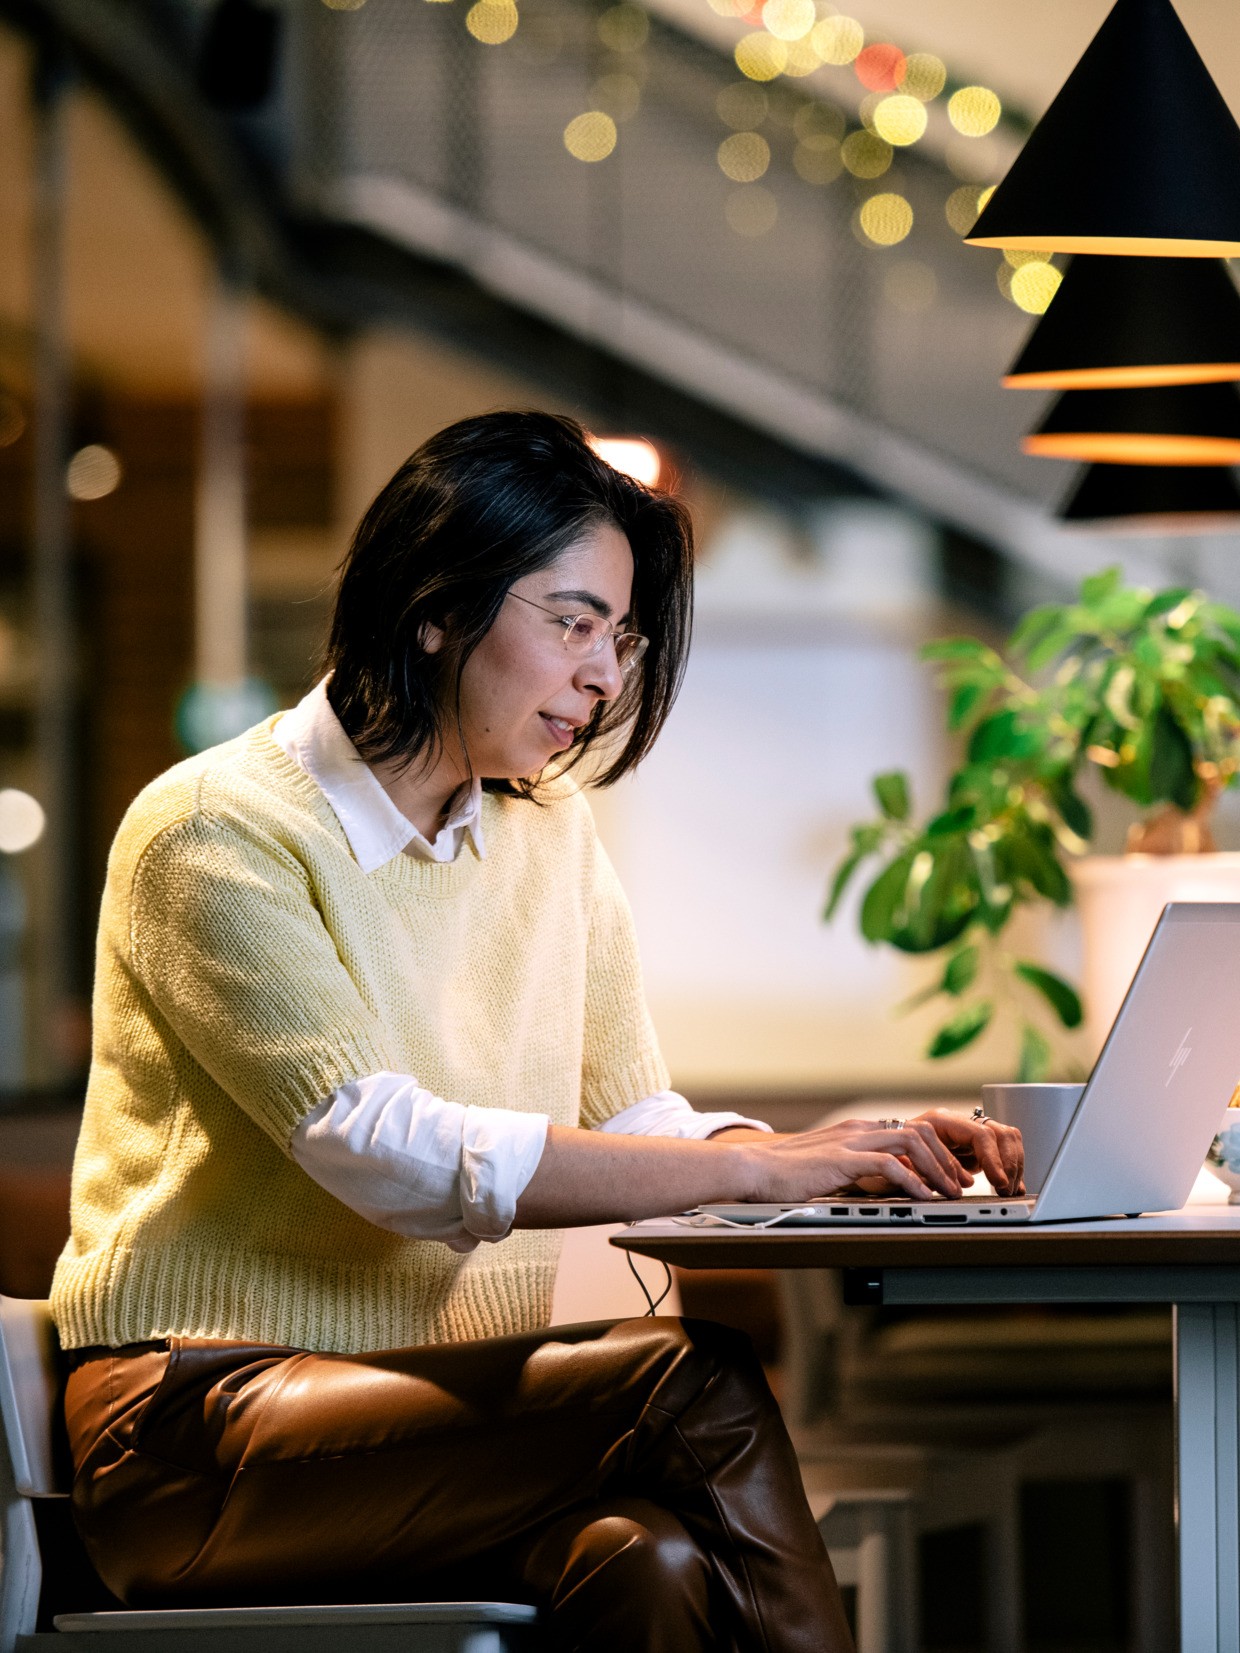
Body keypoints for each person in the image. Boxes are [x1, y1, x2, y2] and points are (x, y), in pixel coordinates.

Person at [51, 411, 1023, 1653]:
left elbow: (639, 1123)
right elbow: (381, 1153)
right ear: (434, 606)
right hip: (195, 1433)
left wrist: (838, 1155)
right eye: (570, 623)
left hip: (412, 1421)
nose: (605, 677)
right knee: (694, 1384)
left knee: (645, 1558)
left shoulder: (544, 834)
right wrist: (766, 1165)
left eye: (619, 639)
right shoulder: (213, 830)